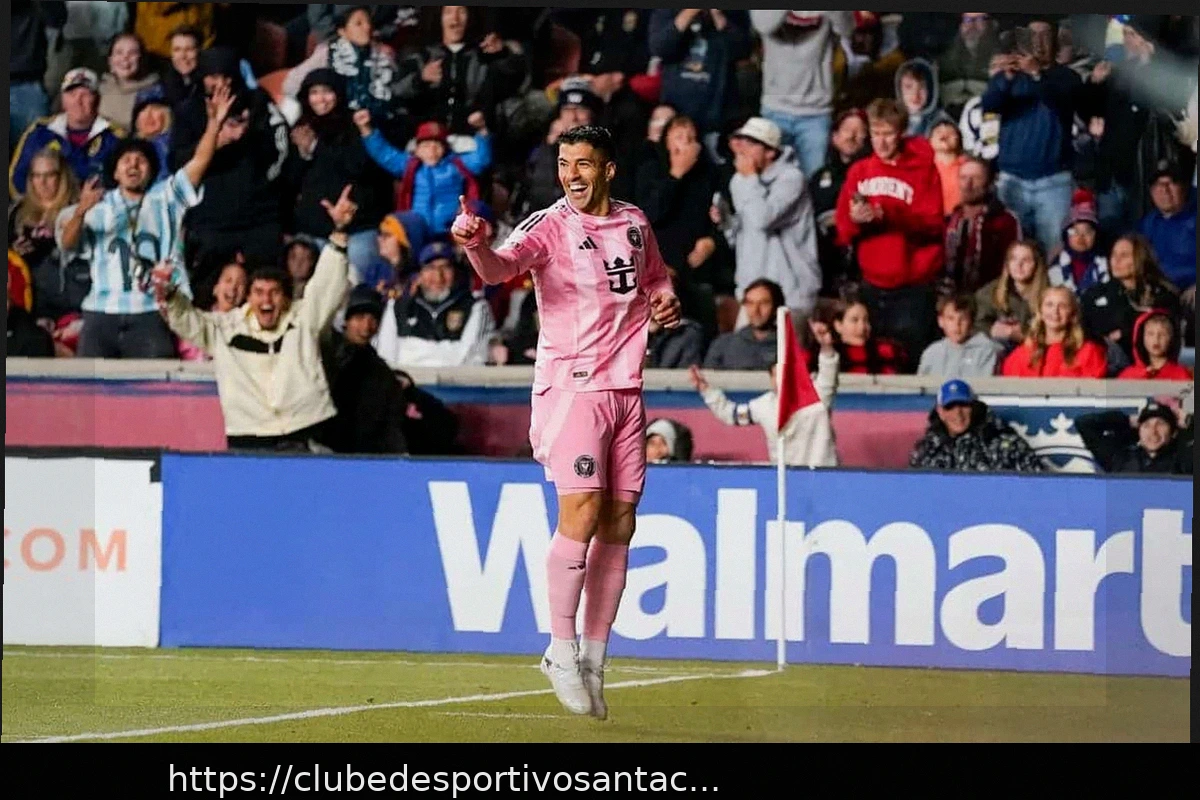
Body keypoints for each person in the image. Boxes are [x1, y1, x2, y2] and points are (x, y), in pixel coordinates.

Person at [451, 125, 682, 719]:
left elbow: (656, 275)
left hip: (627, 389)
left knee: (620, 521)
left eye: (583, 164)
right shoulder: (548, 225)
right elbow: (499, 270)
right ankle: (560, 647)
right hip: (572, 388)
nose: (571, 175)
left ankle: (596, 658)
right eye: (563, 163)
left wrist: (665, 298)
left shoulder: (633, 223)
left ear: (607, 170)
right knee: (580, 510)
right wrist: (476, 243)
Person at [154, 186, 357, 451]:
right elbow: (188, 320)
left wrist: (339, 233)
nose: (267, 300)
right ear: (248, 297)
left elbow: (326, 285)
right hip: (248, 434)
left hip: (306, 429)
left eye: (274, 293)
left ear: (286, 298)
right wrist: (168, 294)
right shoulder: (226, 328)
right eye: (259, 292)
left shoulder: (304, 318)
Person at [56, 84, 236, 358]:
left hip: (150, 311)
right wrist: (81, 211)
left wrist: (213, 125)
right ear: (115, 172)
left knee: (155, 390)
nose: (133, 165)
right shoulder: (96, 205)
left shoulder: (166, 199)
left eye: (140, 161)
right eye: (125, 161)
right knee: (89, 394)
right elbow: (68, 245)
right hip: (101, 312)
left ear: (151, 171)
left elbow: (199, 162)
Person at [835, 98, 946, 362]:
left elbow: (933, 225)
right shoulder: (859, 172)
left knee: (909, 363)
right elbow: (843, 230)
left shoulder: (923, 169)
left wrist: (889, 215)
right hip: (871, 287)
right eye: (875, 134)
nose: (881, 142)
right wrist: (856, 220)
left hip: (913, 289)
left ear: (901, 133)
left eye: (888, 134)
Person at [980, 19, 1081, 256]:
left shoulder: (1067, 77)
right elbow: (989, 106)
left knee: (1054, 253)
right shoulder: (1011, 77)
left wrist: (1036, 74)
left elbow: (1061, 104)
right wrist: (1004, 78)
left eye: (1046, 35)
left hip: (1054, 182)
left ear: (1055, 41)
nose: (1039, 42)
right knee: (1009, 253)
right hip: (1012, 180)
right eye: (1032, 35)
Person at [689, 318, 840, 468]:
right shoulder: (764, 405)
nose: (780, 380)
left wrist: (826, 346)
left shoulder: (817, 394)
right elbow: (731, 414)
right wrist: (706, 390)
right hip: (784, 480)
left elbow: (829, 372)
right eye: (775, 375)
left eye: (786, 374)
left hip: (824, 476)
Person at [726, 117, 821, 321]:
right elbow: (743, 235)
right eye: (742, 141)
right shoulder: (739, 180)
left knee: (789, 352)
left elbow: (763, 219)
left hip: (792, 292)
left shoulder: (792, 178)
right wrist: (727, 222)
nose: (743, 149)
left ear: (770, 151)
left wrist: (750, 179)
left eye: (751, 143)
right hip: (752, 290)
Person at [750, 11, 856, 178]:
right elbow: (763, 25)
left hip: (816, 114)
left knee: (815, 184)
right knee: (770, 180)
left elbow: (848, 29)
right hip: (775, 108)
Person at [355, 111, 491, 237]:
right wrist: (366, 129)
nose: (431, 150)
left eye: (437, 145)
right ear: (417, 150)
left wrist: (481, 131)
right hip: (417, 229)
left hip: (451, 229)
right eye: (426, 146)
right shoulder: (410, 166)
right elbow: (385, 154)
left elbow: (482, 159)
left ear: (445, 149)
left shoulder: (456, 165)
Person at [373, 241, 494, 369]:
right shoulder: (398, 307)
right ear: (419, 274)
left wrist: (412, 349)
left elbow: (470, 360)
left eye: (445, 267)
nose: (438, 276)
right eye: (430, 268)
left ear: (456, 272)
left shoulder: (475, 307)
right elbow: (386, 358)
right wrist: (449, 351)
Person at [320, 284, 409, 455]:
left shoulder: (379, 370)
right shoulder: (326, 355)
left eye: (373, 319)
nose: (366, 327)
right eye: (359, 318)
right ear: (346, 321)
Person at [10, 68, 124, 200]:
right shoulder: (40, 133)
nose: (78, 101)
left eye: (85, 94)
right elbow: (17, 180)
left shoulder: (114, 137)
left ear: (97, 100)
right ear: (63, 100)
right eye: (72, 94)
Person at [1080, 233, 1180, 368]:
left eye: (1124, 255)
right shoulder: (1094, 294)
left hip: (1147, 362)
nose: (1116, 260)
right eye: (1114, 255)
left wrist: (1123, 333)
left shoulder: (1162, 296)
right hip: (1101, 359)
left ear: (1140, 258)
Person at [909, 379, 1044, 472]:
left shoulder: (1005, 444)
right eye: (950, 407)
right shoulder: (927, 450)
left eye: (963, 405)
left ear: (974, 407)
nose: (958, 413)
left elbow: (1037, 484)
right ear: (940, 412)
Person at [943, 156, 1022, 295]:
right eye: (963, 177)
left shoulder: (1005, 222)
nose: (968, 184)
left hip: (989, 296)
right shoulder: (948, 221)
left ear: (989, 183)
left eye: (976, 178)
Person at [1001, 285, 1108, 378]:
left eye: (1062, 306)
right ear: (1040, 312)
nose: (1055, 311)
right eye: (1049, 305)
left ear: (1072, 314)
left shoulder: (1089, 352)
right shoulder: (1021, 355)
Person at [975, 239, 1050, 355]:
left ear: (1037, 264)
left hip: (1036, 351)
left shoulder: (1049, 294)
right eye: (1013, 259)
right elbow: (974, 322)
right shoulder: (990, 292)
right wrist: (990, 329)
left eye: (1026, 260)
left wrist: (1024, 336)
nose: (1019, 265)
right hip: (997, 350)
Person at [1077, 400, 1191, 475]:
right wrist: (1126, 420)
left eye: (1160, 424)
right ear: (1138, 430)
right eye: (1146, 425)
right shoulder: (1120, 458)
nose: (1153, 431)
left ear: (1173, 432)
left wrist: (1190, 421)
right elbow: (1084, 424)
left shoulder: (1184, 461)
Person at [1138, 164, 1196, 295]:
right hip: (1159, 291)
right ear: (1151, 192)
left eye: (1171, 183)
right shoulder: (1149, 223)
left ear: (1184, 188)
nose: (1165, 190)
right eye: (1158, 185)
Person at [702, 278, 781, 372]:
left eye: (764, 303)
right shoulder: (722, 345)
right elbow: (707, 381)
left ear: (776, 308)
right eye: (750, 303)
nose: (756, 310)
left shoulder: (789, 348)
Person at [917, 294, 1002, 379]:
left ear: (971, 322)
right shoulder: (932, 352)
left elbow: (986, 388)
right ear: (941, 321)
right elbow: (920, 387)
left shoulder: (987, 350)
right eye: (951, 318)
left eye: (963, 319)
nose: (957, 325)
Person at [1048, 189, 1109, 295]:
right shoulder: (1055, 266)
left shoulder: (1106, 265)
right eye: (1074, 231)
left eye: (1087, 232)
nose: (1080, 237)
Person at [97, 33, 160, 131]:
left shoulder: (154, 94)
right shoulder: (100, 88)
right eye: (119, 52)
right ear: (110, 60)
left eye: (132, 53)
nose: (125, 57)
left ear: (142, 59)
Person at [1117, 310, 1193, 381]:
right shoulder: (1128, 375)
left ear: (1172, 339)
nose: (1156, 339)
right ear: (1141, 337)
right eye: (1150, 334)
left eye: (1163, 334)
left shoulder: (1181, 374)